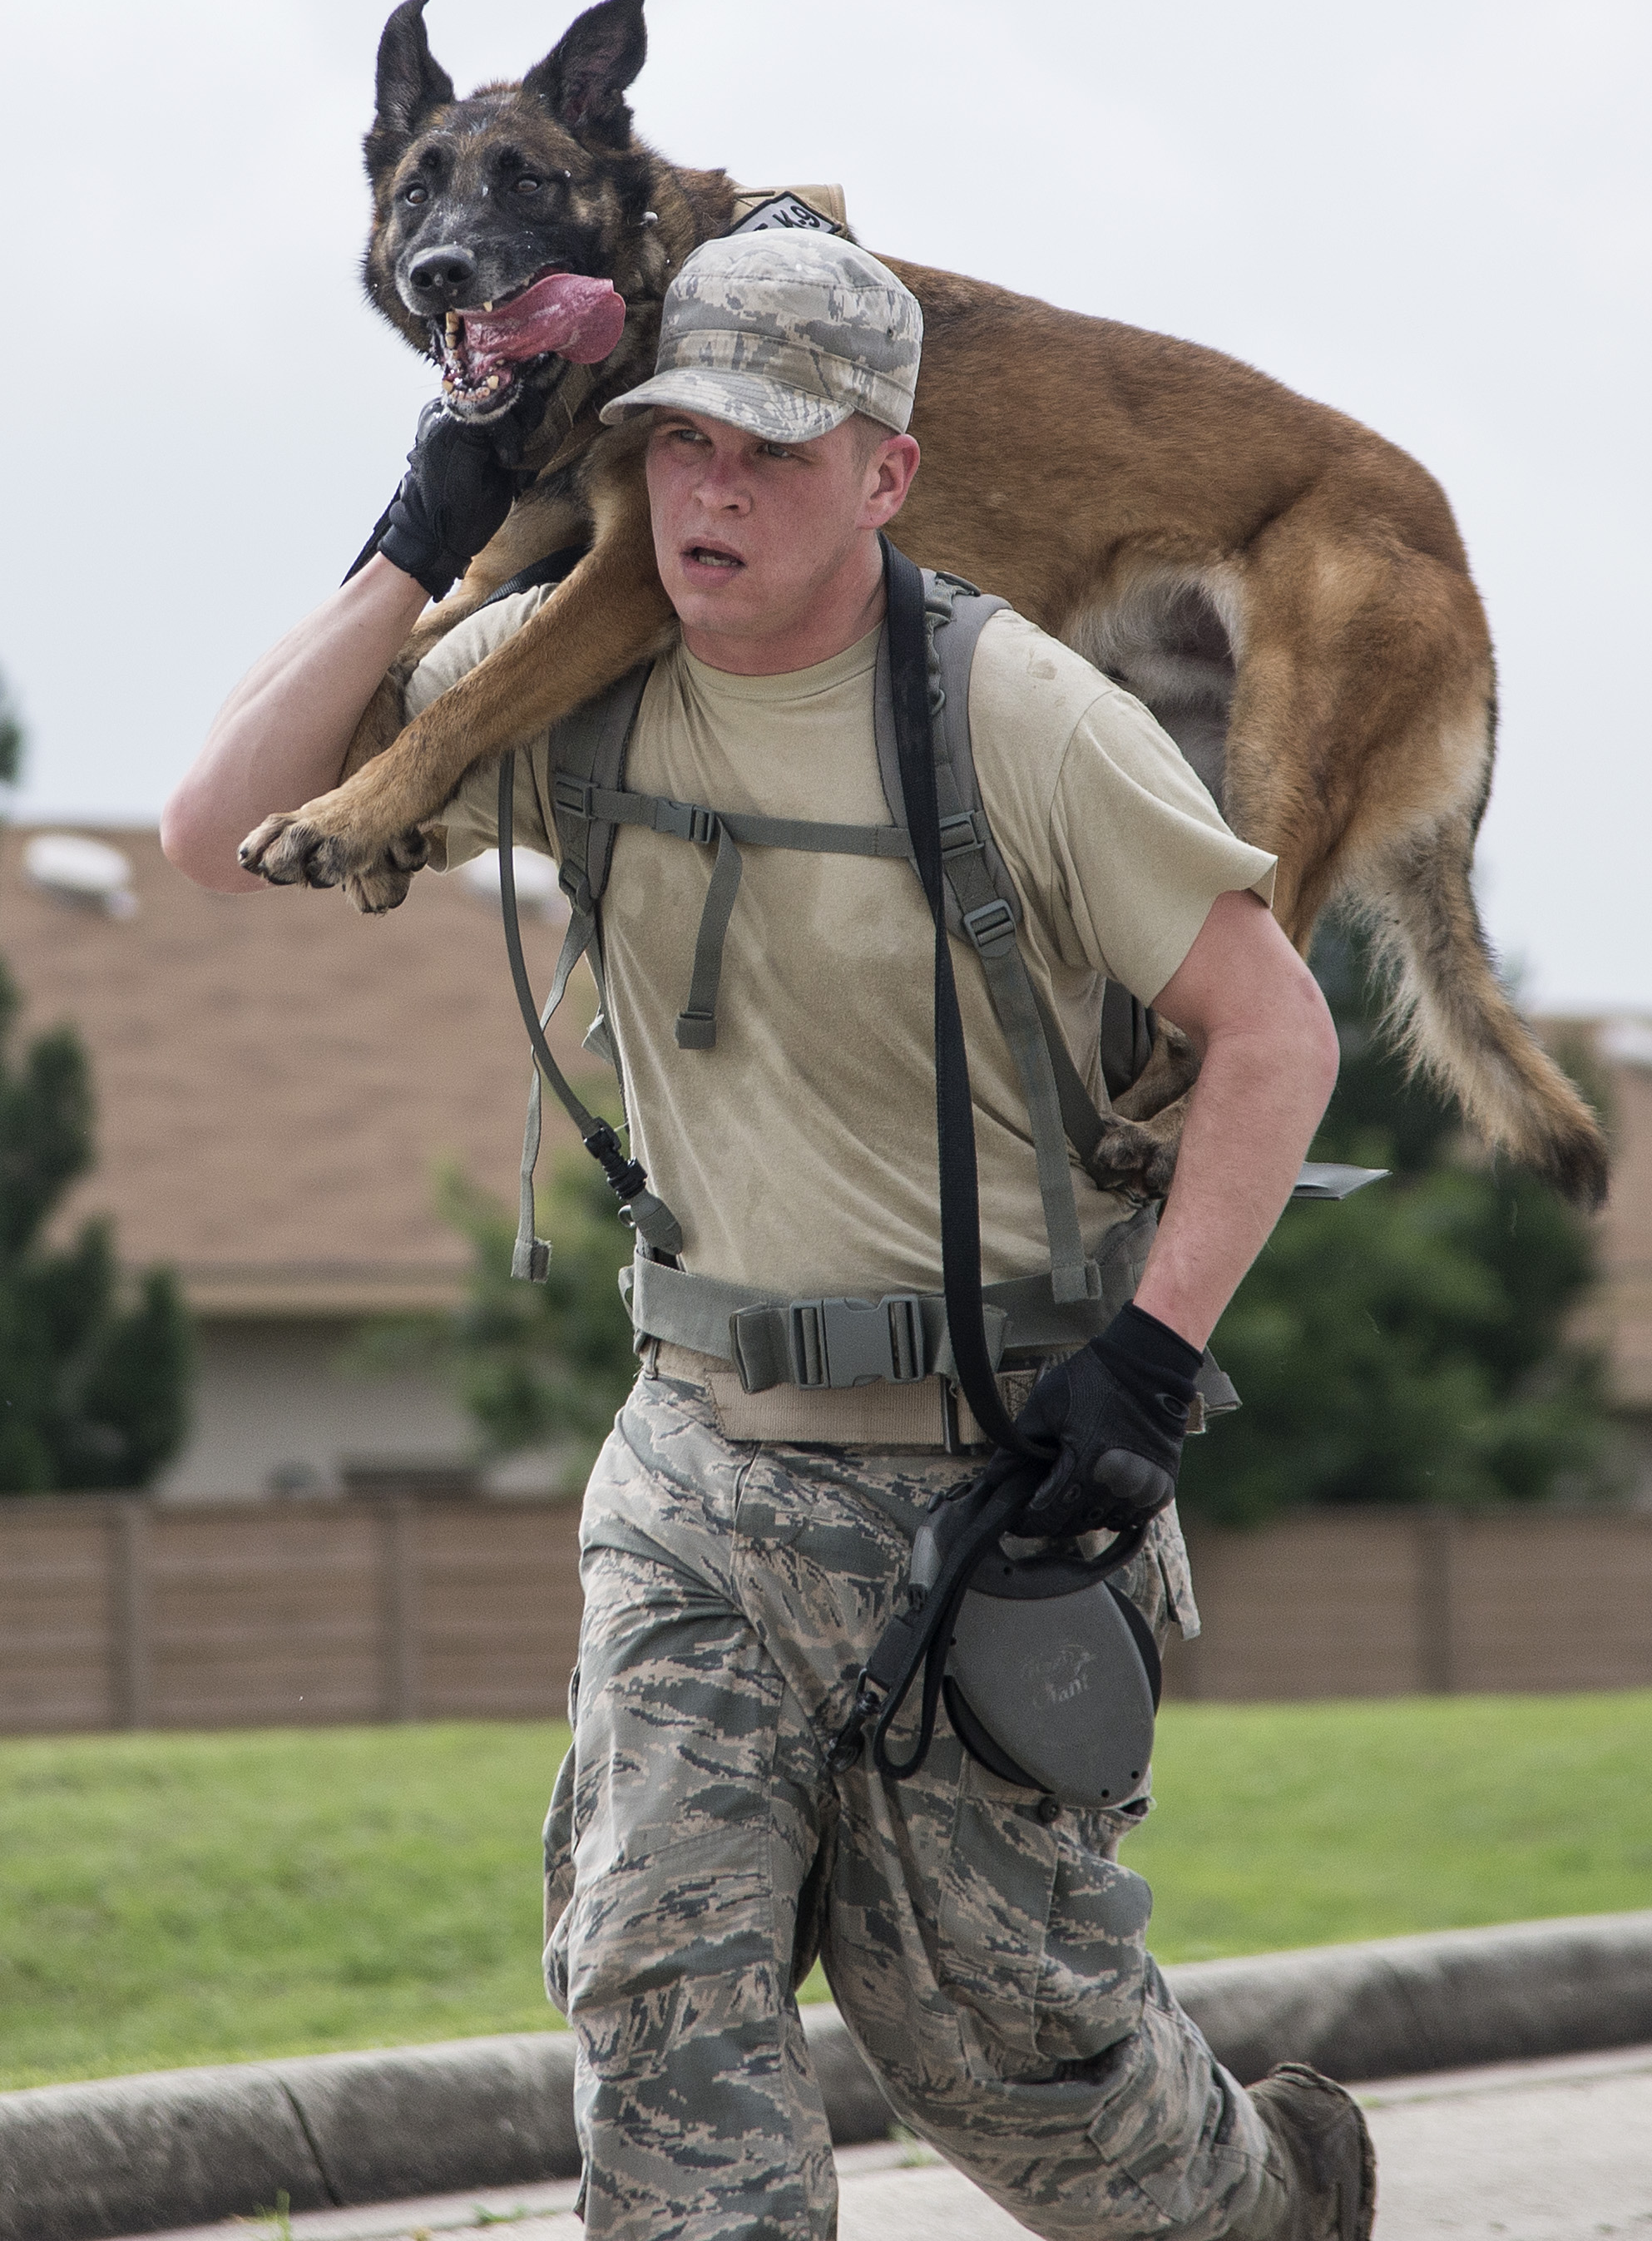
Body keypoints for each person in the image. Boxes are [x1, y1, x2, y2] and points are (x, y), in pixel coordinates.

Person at [163, 230, 1369, 2241]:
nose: (712, 494)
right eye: (680, 444)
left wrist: (1148, 1364)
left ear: (887, 475)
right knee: (654, 1990)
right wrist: (412, 538)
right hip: (701, 1468)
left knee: (1006, 2053)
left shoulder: (1019, 717)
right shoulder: (570, 687)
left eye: (774, 454)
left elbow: (1277, 1030)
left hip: (993, 1482)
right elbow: (218, 828)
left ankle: (1272, 2198)